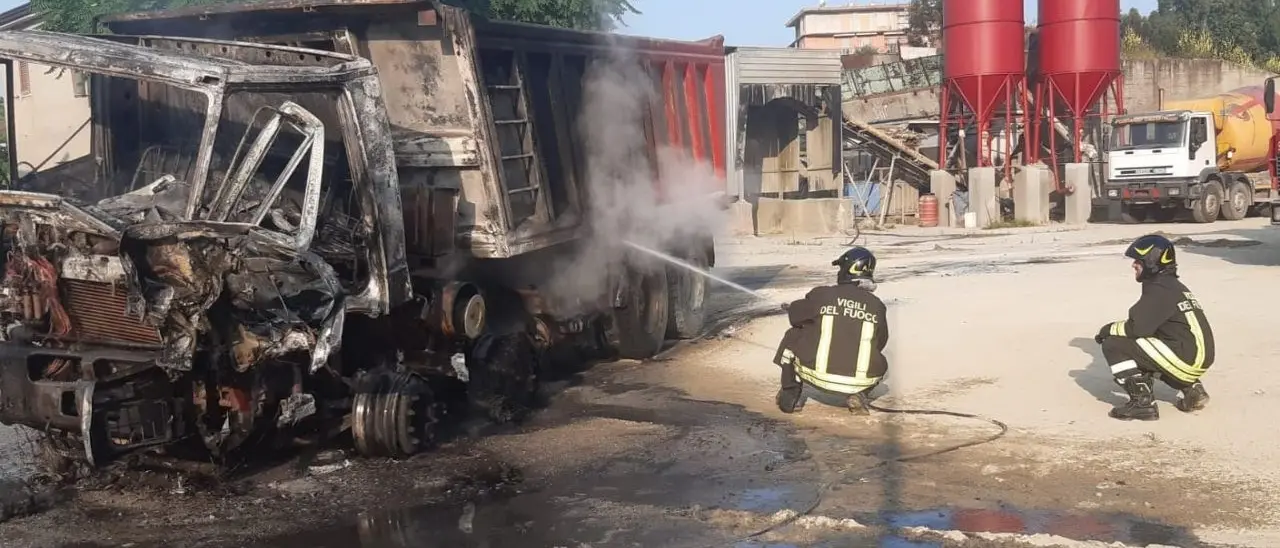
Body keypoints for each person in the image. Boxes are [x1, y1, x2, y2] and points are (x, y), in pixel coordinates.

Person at [1094, 234, 1214, 421]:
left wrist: (1107, 330)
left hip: (1187, 358)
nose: (1133, 265)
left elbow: (1137, 328)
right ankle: (1192, 389)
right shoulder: (1172, 285)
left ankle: (1143, 403)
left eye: (1138, 261)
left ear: (1151, 262)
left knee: (1114, 344)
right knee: (1146, 350)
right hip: (1196, 357)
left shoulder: (1159, 288)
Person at [774, 246, 889, 415]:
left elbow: (796, 319)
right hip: (861, 380)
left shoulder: (822, 295)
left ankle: (790, 396)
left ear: (846, 270)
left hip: (816, 374)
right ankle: (859, 394)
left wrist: (795, 309)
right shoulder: (877, 306)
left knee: (792, 336)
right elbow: (881, 341)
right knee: (878, 358)